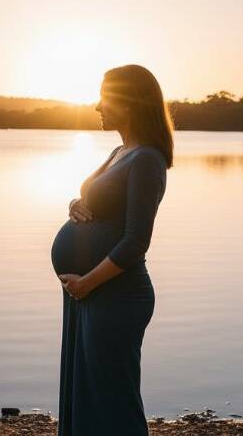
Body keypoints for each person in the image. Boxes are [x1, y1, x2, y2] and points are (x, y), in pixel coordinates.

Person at [50, 63, 174, 436]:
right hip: (88, 292)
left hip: (116, 295)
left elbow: (137, 241)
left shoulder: (148, 159)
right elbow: (99, 200)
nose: (97, 105)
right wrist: (75, 203)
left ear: (130, 103)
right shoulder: (121, 151)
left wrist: (87, 282)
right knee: (87, 394)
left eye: (105, 97)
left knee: (114, 401)